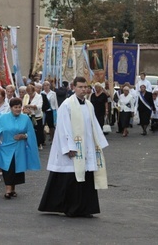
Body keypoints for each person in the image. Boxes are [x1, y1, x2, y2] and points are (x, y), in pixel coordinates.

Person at [38, 76, 108, 217]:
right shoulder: (67, 104)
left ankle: (85, 208)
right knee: (70, 179)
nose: (83, 90)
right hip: (73, 148)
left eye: (85, 87)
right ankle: (71, 208)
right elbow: (63, 127)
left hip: (87, 147)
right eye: (80, 87)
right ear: (73, 88)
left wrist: (98, 143)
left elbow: (94, 125)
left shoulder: (89, 105)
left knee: (86, 177)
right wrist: (69, 147)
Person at [0, 97, 41, 199]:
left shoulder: (25, 118)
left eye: (19, 107)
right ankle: (8, 189)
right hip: (6, 147)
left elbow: (31, 133)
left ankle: (13, 189)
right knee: (8, 167)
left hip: (19, 148)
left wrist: (24, 136)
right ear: (11, 107)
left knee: (17, 168)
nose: (17, 109)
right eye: (15, 107)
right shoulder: (3, 117)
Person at [23, 85, 43, 149]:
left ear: (34, 91)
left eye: (30, 93)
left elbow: (39, 106)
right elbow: (23, 105)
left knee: (38, 130)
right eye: (28, 93)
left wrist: (31, 106)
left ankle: (39, 143)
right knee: (29, 130)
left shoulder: (39, 96)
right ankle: (30, 143)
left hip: (37, 116)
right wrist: (25, 109)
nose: (29, 94)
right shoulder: (26, 96)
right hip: (28, 115)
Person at [42, 81, 58, 145]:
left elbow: (55, 102)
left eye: (47, 85)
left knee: (51, 126)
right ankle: (43, 140)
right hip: (43, 111)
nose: (46, 86)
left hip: (51, 111)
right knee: (42, 125)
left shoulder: (53, 93)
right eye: (45, 85)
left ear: (49, 86)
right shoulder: (41, 93)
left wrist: (57, 110)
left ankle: (52, 139)